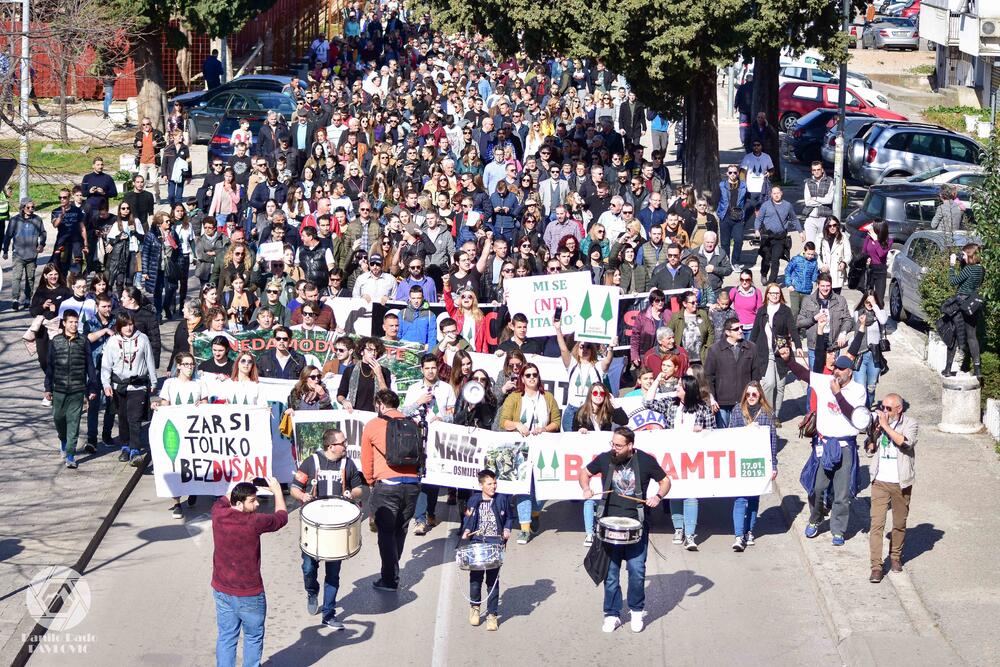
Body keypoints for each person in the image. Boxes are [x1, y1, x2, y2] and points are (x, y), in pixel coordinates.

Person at [778, 322, 866, 546]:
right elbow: (804, 374)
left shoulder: (858, 391)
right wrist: (788, 360)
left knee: (842, 494)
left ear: (851, 370)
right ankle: (816, 519)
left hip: (845, 447)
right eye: (835, 367)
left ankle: (838, 529)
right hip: (824, 445)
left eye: (841, 369)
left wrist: (837, 395)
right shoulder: (826, 381)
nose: (836, 371)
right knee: (817, 488)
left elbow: (853, 416)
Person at [580, 427, 670, 634]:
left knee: (637, 571)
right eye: (613, 444)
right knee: (610, 574)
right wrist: (585, 488)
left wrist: (658, 497)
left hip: (636, 525)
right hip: (609, 525)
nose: (614, 448)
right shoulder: (605, 458)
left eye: (618, 445)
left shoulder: (645, 461)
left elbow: (665, 481)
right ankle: (611, 614)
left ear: (630, 446)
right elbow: (584, 473)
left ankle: (637, 611)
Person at [290, 429, 365, 629]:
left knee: (333, 573)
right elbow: (294, 488)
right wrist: (302, 496)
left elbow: (360, 488)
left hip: (337, 524)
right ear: (331, 446)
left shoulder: (348, 464)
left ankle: (329, 613)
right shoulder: (311, 462)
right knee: (308, 567)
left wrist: (352, 493)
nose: (346, 446)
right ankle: (312, 590)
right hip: (314, 522)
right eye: (343, 443)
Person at [211, 478, 288, 667]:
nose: (258, 503)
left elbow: (224, 499)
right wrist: (277, 491)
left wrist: (242, 483)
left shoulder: (218, 513)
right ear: (239, 504)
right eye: (252, 500)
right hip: (249, 594)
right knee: (253, 637)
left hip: (222, 590)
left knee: (227, 636)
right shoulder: (254, 522)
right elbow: (281, 517)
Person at [643, 375, 715, 550]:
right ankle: (678, 529)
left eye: (680, 387)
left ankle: (690, 534)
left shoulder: (702, 408)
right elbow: (647, 403)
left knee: (691, 494)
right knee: (675, 492)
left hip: (694, 459)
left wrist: (704, 430)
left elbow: (714, 432)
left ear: (688, 390)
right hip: (673, 457)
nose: (676, 389)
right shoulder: (671, 404)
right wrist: (658, 379)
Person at [361, 389, 421, 592]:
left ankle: (389, 578)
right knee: (400, 529)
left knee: (385, 533)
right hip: (412, 485)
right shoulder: (412, 424)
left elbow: (366, 459)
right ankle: (392, 571)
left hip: (387, 485)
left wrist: (370, 481)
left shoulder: (373, 425)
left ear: (379, 404)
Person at [499, 362, 560, 544]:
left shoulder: (547, 397)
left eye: (535, 375)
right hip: (521, 449)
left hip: (544, 448)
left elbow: (556, 420)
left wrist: (545, 428)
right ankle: (524, 528)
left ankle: (535, 512)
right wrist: (517, 425)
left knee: (543, 487)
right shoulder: (515, 397)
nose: (532, 378)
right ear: (522, 378)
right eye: (528, 375)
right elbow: (504, 421)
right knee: (523, 488)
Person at [865, 393, 918, 583]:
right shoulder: (879, 424)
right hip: (880, 481)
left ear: (899, 409)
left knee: (899, 523)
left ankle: (895, 556)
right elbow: (869, 446)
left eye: (888, 408)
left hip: (901, 482)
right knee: (876, 524)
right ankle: (876, 566)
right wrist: (871, 441)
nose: (884, 412)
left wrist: (885, 427)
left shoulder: (910, 424)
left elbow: (906, 442)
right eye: (883, 408)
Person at [402, 354, 456, 535]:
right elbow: (404, 412)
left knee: (433, 478)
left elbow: (453, 414)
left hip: (438, 437)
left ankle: (430, 512)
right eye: (427, 368)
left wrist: (443, 417)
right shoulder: (414, 388)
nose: (431, 371)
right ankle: (420, 519)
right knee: (421, 478)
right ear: (422, 369)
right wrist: (419, 402)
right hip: (418, 435)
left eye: (433, 368)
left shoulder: (446, 389)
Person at [573, 381, 629, 545]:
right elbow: (571, 434)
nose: (598, 396)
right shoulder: (581, 413)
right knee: (589, 495)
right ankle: (589, 532)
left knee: (604, 493)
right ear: (590, 394)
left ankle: (604, 526)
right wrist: (579, 431)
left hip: (605, 458)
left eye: (601, 393)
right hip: (587, 457)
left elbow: (624, 420)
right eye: (595, 393)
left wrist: (614, 403)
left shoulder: (608, 412)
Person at [727, 380, 778, 551]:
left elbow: (772, 441)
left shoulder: (767, 414)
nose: (750, 397)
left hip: (759, 463)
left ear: (760, 395)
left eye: (754, 394)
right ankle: (738, 535)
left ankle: (749, 531)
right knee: (740, 499)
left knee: (754, 499)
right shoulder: (737, 411)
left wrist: (774, 465)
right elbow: (730, 435)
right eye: (747, 394)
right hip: (740, 460)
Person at [44, 309, 99, 469]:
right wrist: (48, 388)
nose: (74, 325)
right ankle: (63, 440)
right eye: (71, 322)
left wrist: (92, 388)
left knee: (73, 422)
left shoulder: (83, 341)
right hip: (59, 389)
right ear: (64, 323)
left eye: (76, 322)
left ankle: (70, 455)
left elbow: (90, 365)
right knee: (58, 418)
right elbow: (50, 367)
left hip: (77, 389)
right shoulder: (55, 341)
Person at [101, 312, 156, 467]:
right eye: (125, 325)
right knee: (123, 417)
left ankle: (135, 449)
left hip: (138, 385)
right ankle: (125, 445)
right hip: (119, 385)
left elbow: (149, 360)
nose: (129, 328)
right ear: (119, 326)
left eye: (131, 324)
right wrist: (106, 385)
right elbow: (106, 366)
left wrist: (153, 381)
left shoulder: (143, 338)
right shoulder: (112, 341)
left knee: (135, 418)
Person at [461, 469, 513, 632]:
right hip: (478, 543)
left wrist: (507, 529)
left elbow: (510, 518)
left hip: (495, 544)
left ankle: (492, 615)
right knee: (475, 579)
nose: (493, 486)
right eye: (489, 484)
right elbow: (468, 519)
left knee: (493, 581)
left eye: (495, 483)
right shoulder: (474, 500)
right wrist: (466, 530)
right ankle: (475, 607)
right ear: (481, 485)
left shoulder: (502, 499)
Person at [749, 283, 800, 424]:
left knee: (780, 385)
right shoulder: (762, 310)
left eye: (777, 293)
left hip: (781, 352)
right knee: (769, 383)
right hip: (765, 352)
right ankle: (768, 413)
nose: (775, 296)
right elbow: (755, 331)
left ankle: (776, 415)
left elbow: (793, 330)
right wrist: (749, 347)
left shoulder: (785, 310)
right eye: (772, 293)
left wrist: (799, 345)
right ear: (767, 295)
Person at [704, 317, 766, 427]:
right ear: (727, 332)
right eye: (736, 329)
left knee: (743, 434)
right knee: (724, 434)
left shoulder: (751, 347)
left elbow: (756, 374)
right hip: (723, 402)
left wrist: (754, 396)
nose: (741, 331)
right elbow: (709, 376)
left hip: (744, 400)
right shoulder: (715, 350)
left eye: (741, 327)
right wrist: (712, 399)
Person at [554, 318, 614, 432]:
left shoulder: (597, 366)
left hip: (591, 412)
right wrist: (558, 329)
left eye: (588, 347)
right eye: (582, 346)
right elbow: (563, 349)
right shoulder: (572, 364)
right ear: (577, 348)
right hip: (572, 411)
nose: (585, 349)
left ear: (592, 350)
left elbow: (608, 361)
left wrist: (611, 348)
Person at [944, 243, 984, 379]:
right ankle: (978, 369)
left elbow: (952, 281)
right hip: (972, 304)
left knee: (953, 334)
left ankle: (948, 369)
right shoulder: (980, 269)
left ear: (970, 255)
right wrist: (963, 263)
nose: (963, 256)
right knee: (972, 336)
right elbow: (969, 281)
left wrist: (951, 265)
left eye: (964, 254)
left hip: (960, 303)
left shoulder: (968, 270)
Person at [753, 186, 804, 284]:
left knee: (775, 259)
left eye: (778, 193)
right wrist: (756, 230)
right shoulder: (766, 205)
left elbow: (794, 219)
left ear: (781, 193)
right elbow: (759, 219)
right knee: (766, 258)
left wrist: (800, 232)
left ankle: (772, 282)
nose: (776, 195)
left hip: (780, 238)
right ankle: (764, 273)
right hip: (767, 237)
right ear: (771, 195)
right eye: (774, 193)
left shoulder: (787, 205)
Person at [3, 198, 46, 310]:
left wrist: (42, 244)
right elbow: (8, 236)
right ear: (22, 208)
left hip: (32, 255)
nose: (31, 209)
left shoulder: (37, 220)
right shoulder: (15, 220)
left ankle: (28, 298)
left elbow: (43, 233)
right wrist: (5, 251)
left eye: (33, 207)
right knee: (16, 277)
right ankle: (15, 300)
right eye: (28, 207)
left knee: (30, 278)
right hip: (18, 254)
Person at [852, 291, 889, 406]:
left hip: (874, 355)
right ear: (863, 301)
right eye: (867, 301)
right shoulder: (858, 313)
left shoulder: (880, 314)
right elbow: (856, 333)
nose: (869, 304)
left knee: (871, 387)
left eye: (872, 301)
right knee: (860, 388)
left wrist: (875, 306)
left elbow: (883, 320)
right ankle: (861, 412)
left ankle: (868, 408)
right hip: (861, 355)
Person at [337, 337, 392, 412]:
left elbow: (387, 398)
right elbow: (340, 394)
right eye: (369, 350)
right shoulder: (350, 370)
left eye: (376, 350)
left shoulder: (384, 371)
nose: (373, 353)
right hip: (355, 415)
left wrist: (379, 374)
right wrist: (344, 401)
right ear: (362, 351)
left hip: (376, 415)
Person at [784, 241, 819, 323]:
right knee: (795, 310)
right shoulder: (796, 259)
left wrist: (819, 275)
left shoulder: (814, 262)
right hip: (795, 289)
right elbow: (787, 271)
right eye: (808, 254)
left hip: (806, 291)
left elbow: (814, 277)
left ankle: (801, 329)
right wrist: (789, 284)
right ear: (804, 251)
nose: (810, 256)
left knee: (804, 312)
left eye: (812, 254)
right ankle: (792, 329)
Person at [818, 217, 851, 294]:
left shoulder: (843, 237)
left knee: (836, 297)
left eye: (834, 225)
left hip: (837, 272)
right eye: (830, 226)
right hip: (825, 271)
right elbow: (817, 254)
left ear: (838, 225)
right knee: (824, 298)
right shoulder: (820, 237)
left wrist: (844, 262)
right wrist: (821, 266)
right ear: (826, 226)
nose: (832, 227)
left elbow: (848, 254)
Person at [802, 162, 834, 244]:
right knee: (810, 245)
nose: (816, 172)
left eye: (818, 169)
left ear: (822, 170)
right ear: (812, 171)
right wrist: (822, 200)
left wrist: (815, 198)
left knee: (822, 244)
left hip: (824, 217)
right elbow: (808, 202)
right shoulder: (808, 182)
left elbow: (829, 200)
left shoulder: (830, 181)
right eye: (814, 170)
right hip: (811, 217)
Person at [862, 220, 890, 302]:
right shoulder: (868, 238)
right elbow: (864, 251)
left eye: (873, 226)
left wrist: (875, 240)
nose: (872, 228)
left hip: (881, 270)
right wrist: (867, 258)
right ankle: (868, 314)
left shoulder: (888, 241)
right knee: (867, 296)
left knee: (879, 299)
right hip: (870, 269)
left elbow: (881, 254)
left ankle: (879, 313)